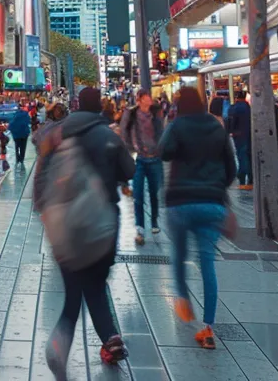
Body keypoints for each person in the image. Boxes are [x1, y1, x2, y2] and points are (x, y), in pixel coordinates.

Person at [34, 86, 135, 377]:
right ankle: (110, 340)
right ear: (99, 107)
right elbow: (130, 171)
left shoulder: (58, 132)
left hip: (64, 224)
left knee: (75, 293)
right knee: (95, 284)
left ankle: (62, 344)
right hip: (103, 224)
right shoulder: (108, 135)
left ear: (77, 105)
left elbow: (41, 163)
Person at [156, 87, 235, 349]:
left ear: (181, 105)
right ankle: (208, 328)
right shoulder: (217, 128)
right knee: (207, 263)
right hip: (212, 203)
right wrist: (216, 185)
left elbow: (164, 151)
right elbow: (231, 168)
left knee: (179, 255)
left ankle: (183, 299)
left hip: (180, 201)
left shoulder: (178, 125)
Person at [120, 91, 167, 243]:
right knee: (138, 194)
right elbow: (124, 131)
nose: (150, 100)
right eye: (147, 97)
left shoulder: (155, 113)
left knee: (154, 192)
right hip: (139, 158)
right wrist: (130, 149)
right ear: (140, 100)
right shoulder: (132, 114)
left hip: (154, 158)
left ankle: (154, 221)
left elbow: (161, 133)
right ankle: (140, 227)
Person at [226, 91, 254, 190]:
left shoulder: (234, 108)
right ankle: (251, 179)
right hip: (250, 135)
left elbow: (230, 122)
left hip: (239, 135)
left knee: (242, 156)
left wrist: (231, 131)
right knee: (250, 156)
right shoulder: (249, 108)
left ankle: (242, 178)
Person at [0, 101, 33, 166]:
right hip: (24, 134)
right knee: (23, 147)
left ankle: (18, 159)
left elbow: (11, 125)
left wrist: (10, 129)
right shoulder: (26, 114)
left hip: (16, 135)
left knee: (17, 147)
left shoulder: (14, 115)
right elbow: (29, 121)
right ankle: (22, 159)